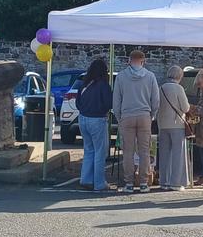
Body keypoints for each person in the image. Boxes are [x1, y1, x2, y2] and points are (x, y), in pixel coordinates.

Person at [113, 50, 160, 193]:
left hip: (127, 116)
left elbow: (116, 100)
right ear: (143, 61)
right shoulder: (150, 77)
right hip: (144, 115)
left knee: (128, 151)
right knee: (144, 151)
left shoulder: (121, 77)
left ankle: (129, 183)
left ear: (129, 60)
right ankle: (144, 182)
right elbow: (156, 100)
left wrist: (119, 116)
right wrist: (152, 115)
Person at [76, 59, 113, 191]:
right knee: (100, 152)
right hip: (97, 119)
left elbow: (77, 103)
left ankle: (85, 179)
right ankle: (99, 183)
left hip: (83, 118)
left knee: (89, 150)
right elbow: (109, 103)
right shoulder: (103, 85)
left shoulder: (84, 84)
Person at [157, 65, 191, 191]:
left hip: (162, 124)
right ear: (180, 76)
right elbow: (185, 108)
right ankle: (176, 183)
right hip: (176, 124)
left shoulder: (161, 88)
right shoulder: (179, 88)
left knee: (164, 154)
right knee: (178, 154)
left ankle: (163, 181)